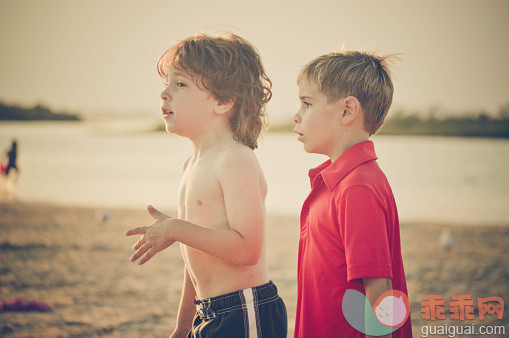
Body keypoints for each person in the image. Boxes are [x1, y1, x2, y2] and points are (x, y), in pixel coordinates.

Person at [124, 33, 287, 338]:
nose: (164, 94)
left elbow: (248, 249)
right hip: (208, 311)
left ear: (223, 101)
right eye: (166, 83)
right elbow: (195, 257)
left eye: (180, 84)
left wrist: (176, 229)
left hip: (244, 310)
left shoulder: (236, 160)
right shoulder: (191, 165)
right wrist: (183, 326)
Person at [293, 51, 412, 337]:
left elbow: (378, 289)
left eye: (307, 104)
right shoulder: (341, 180)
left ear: (347, 111)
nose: (296, 116)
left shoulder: (357, 188)